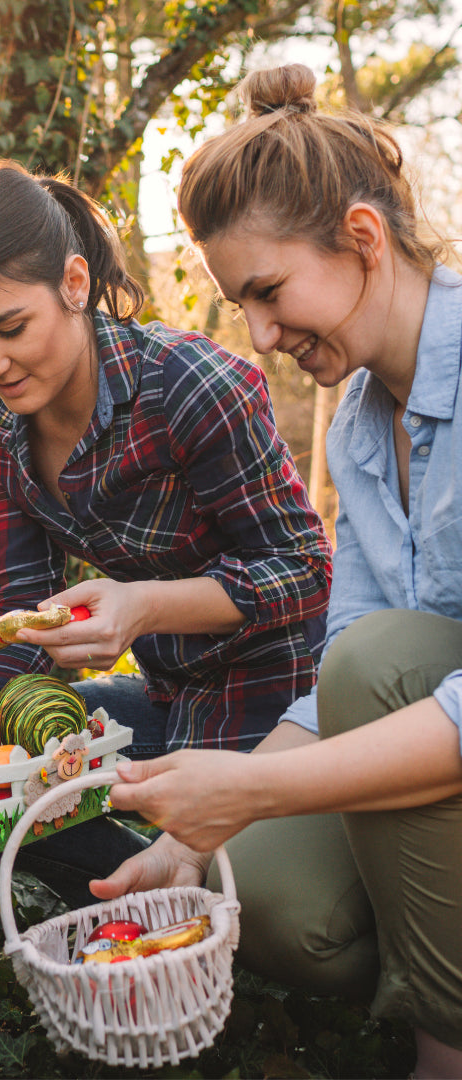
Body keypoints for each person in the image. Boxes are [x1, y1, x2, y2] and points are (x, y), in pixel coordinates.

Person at [90, 64, 462, 1079]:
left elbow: (384, 674)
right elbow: (340, 657)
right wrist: (218, 820)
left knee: (385, 659)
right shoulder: (358, 428)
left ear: (363, 239)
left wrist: (259, 780)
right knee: (268, 894)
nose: (258, 335)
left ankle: (448, 1045)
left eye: (268, 292)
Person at [0, 157, 332, 904]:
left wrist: (143, 606)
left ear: (75, 284)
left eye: (10, 329)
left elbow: (305, 571)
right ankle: (150, 904)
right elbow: (22, 603)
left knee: (263, 901)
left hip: (280, 702)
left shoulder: (192, 387)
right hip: (169, 697)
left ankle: (201, 893)